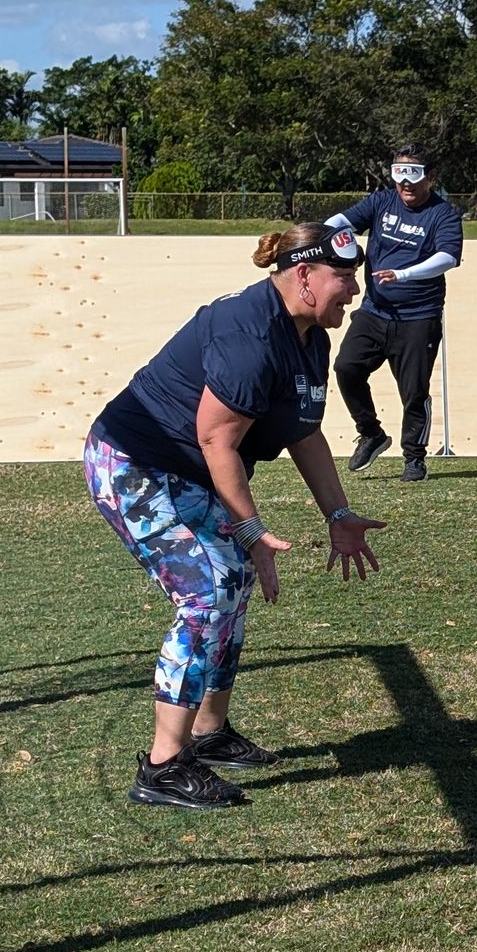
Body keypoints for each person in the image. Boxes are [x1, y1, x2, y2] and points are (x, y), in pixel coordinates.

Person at [85, 222, 387, 809]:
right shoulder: (249, 335)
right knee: (209, 589)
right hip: (133, 464)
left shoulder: (309, 337)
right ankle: (162, 766)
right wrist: (250, 532)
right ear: (304, 276)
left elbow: (305, 433)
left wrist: (339, 512)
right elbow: (216, 438)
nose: (353, 291)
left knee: (234, 582)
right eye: (344, 278)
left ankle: (209, 732)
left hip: (190, 469)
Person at [326, 145, 465, 481]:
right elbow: (343, 221)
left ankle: (414, 459)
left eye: (414, 174)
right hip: (375, 312)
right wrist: (322, 235)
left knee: (414, 392)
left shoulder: (443, 214)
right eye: (399, 173)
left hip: (419, 317)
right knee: (347, 368)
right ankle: (371, 433)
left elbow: (448, 258)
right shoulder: (382, 201)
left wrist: (403, 274)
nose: (405, 182)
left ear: (430, 177)